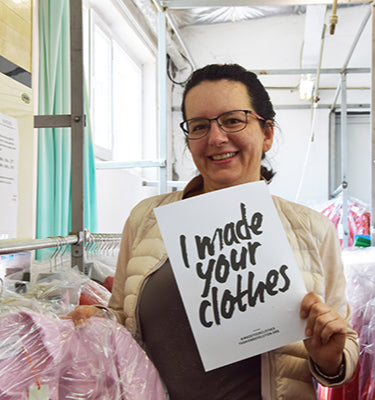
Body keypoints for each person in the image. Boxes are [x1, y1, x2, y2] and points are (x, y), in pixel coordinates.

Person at [69, 63, 359, 400]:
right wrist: (97, 318)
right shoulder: (147, 218)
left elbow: (343, 343)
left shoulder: (313, 230)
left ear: (267, 133)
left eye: (233, 120)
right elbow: (123, 315)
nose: (216, 137)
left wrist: (329, 358)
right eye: (199, 126)